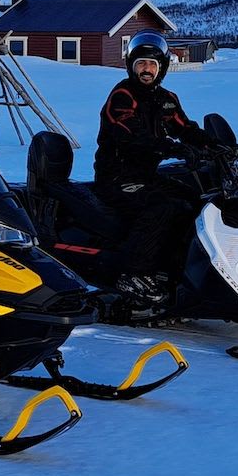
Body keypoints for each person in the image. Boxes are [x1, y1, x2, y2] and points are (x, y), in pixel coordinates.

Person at [94, 31, 209, 303]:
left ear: (162, 68)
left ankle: (173, 268)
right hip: (117, 177)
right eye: (142, 64)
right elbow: (131, 135)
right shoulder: (123, 96)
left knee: (194, 200)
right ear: (132, 66)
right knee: (161, 206)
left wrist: (217, 146)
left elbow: (186, 128)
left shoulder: (166, 98)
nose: (147, 70)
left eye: (152, 65)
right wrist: (171, 147)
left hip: (146, 175)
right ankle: (133, 273)